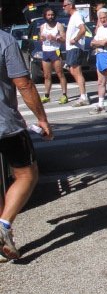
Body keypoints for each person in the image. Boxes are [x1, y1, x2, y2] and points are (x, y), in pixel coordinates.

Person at [0, 28, 53, 261]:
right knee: (27, 174)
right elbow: (24, 84)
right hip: (5, 124)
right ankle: (4, 225)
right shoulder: (5, 40)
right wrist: (42, 119)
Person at [62, 0, 90, 107]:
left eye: (65, 5)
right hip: (71, 48)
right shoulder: (73, 17)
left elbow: (83, 29)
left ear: (71, 5)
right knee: (72, 70)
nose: (63, 7)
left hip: (75, 48)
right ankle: (83, 94)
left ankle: (83, 97)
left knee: (77, 72)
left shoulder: (77, 16)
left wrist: (75, 39)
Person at [38, 7, 68, 105]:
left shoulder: (59, 26)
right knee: (47, 75)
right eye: (48, 15)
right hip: (46, 51)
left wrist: (55, 38)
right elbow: (40, 39)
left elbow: (64, 39)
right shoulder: (42, 26)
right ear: (45, 16)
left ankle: (64, 95)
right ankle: (46, 95)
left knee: (60, 73)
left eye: (52, 15)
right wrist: (41, 38)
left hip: (56, 51)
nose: (51, 17)